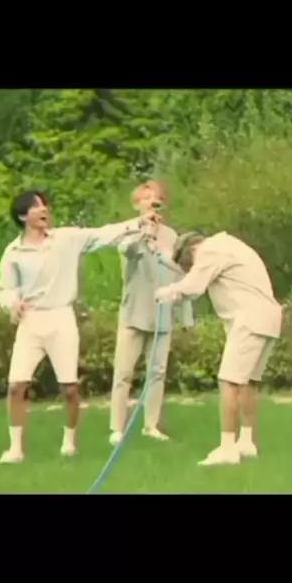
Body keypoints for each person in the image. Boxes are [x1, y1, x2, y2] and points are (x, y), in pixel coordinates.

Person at [0, 189, 158, 464]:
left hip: (61, 317)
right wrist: (12, 303)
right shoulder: (13, 252)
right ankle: (15, 449)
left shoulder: (66, 239)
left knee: (69, 388)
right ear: (23, 216)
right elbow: (5, 288)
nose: (44, 209)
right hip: (31, 321)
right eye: (36, 206)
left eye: (45, 205)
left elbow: (102, 234)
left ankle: (69, 442)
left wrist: (138, 222)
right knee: (16, 386)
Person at [154, 230, 283, 465]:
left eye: (190, 264)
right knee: (248, 381)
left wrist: (168, 292)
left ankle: (227, 448)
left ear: (192, 250)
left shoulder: (209, 250)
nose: (192, 267)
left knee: (229, 381)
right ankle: (246, 442)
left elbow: (193, 287)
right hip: (268, 318)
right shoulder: (230, 244)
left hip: (249, 319)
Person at [109, 180, 194, 445]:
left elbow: (180, 274)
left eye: (155, 198)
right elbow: (127, 252)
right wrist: (143, 230)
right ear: (137, 204)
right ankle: (117, 428)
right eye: (145, 198)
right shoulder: (130, 232)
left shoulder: (171, 236)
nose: (151, 203)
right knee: (123, 372)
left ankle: (151, 425)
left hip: (162, 314)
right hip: (134, 312)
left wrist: (185, 315)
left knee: (157, 372)